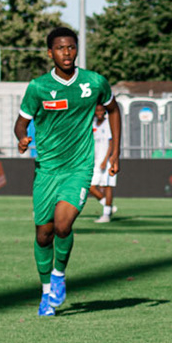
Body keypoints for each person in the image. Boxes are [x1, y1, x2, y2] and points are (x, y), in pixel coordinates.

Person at [14, 26, 119, 315]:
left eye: (71, 47)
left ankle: (59, 276)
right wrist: (22, 138)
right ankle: (46, 292)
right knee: (43, 235)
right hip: (46, 169)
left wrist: (116, 153)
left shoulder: (94, 82)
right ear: (50, 53)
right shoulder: (38, 87)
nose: (67, 53)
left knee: (63, 225)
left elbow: (113, 109)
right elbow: (21, 122)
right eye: (60, 48)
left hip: (79, 167)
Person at [89, 108, 118, 222]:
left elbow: (111, 143)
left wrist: (106, 160)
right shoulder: (93, 124)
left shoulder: (108, 124)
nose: (99, 113)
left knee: (107, 186)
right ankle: (109, 207)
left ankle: (106, 214)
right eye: (97, 111)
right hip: (95, 161)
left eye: (101, 111)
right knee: (90, 187)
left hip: (106, 161)